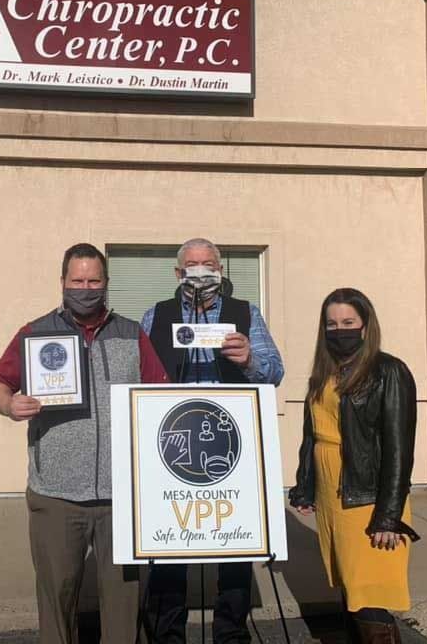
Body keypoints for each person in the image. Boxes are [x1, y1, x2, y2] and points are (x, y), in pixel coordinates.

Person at [0, 243, 169, 644]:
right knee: (57, 601)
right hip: (57, 495)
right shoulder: (35, 333)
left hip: (122, 496)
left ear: (105, 283)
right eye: (77, 280)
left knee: (124, 606)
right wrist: (10, 404)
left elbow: (160, 393)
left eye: (93, 280)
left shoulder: (131, 333)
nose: (85, 288)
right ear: (63, 282)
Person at [140, 237, 285, 644]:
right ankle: (167, 635)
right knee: (170, 546)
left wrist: (251, 360)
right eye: (192, 264)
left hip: (229, 446)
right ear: (178, 272)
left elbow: (275, 372)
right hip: (174, 445)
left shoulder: (245, 313)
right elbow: (138, 374)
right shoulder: (156, 315)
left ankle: (231, 634)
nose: (200, 271)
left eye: (209, 264)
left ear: (220, 271)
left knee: (233, 548)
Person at [288, 288, 419, 644]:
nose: (339, 330)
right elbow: (313, 433)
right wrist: (305, 484)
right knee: (349, 588)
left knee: (370, 595)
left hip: (367, 496)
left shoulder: (389, 371)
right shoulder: (325, 374)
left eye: (348, 322)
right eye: (331, 324)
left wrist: (389, 515)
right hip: (333, 495)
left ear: (365, 326)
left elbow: (399, 449)